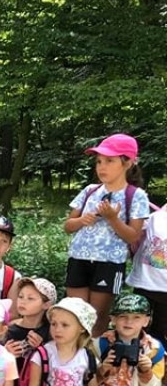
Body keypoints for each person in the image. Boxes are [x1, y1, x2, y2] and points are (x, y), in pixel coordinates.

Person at [64, 133, 150, 336]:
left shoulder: (136, 196)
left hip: (110, 264)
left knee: (97, 315)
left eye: (109, 161)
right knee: (75, 312)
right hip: (78, 258)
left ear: (128, 162)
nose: (102, 167)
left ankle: (93, 357)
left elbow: (132, 236)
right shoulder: (89, 191)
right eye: (99, 161)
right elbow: (68, 226)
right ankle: (74, 360)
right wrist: (81, 220)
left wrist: (113, 218)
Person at [125, 205, 167, 344]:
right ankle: (132, 360)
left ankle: (158, 361)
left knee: (161, 331)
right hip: (144, 283)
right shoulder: (156, 217)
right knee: (135, 328)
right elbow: (133, 234)